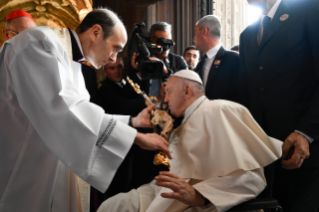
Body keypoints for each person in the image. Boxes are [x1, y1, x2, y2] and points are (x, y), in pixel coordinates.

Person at [0, 9, 171, 212]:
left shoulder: (74, 65)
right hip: (25, 164)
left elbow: (82, 113)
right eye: (115, 49)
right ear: (96, 32)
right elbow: (63, 108)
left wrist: (131, 122)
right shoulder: (37, 41)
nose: (113, 59)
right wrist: (136, 136)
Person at [97, 70, 282, 212]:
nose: (165, 99)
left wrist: (200, 195)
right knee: (111, 206)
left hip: (193, 204)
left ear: (187, 90)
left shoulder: (219, 110)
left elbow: (252, 177)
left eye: (168, 92)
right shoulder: (184, 121)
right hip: (161, 194)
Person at [239, 0, 319, 211]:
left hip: (307, 152)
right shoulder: (247, 35)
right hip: (264, 157)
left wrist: (305, 132)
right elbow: (246, 93)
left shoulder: (310, 10)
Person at [91, 56, 159, 211]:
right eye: (112, 68)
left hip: (134, 139)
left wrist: (138, 73)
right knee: (120, 179)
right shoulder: (105, 89)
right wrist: (150, 100)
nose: (117, 71)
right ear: (105, 70)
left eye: (119, 67)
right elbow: (126, 106)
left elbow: (135, 94)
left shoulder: (126, 83)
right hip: (116, 139)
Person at [130, 22, 188, 96]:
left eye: (168, 42)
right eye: (162, 42)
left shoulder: (178, 61)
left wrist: (167, 73)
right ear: (152, 40)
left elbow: (186, 88)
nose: (166, 47)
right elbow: (128, 94)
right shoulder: (139, 60)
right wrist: (139, 73)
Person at [194, 15, 239, 102]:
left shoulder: (233, 59)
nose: (194, 39)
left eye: (196, 33)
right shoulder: (200, 64)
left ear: (204, 31)